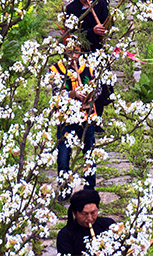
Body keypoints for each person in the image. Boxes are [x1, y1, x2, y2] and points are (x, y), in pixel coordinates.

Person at [52, 47, 100, 197]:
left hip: (86, 117)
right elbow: (56, 93)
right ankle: (65, 189)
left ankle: (89, 189)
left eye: (77, 51)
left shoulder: (89, 67)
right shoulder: (56, 69)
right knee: (64, 155)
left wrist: (91, 95)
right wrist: (72, 94)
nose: (73, 55)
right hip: (65, 118)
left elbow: (98, 89)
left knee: (89, 152)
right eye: (70, 51)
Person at [57, 189, 116, 256]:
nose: (90, 218)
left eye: (93, 213)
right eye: (84, 214)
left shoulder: (108, 225)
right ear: (75, 213)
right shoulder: (65, 235)